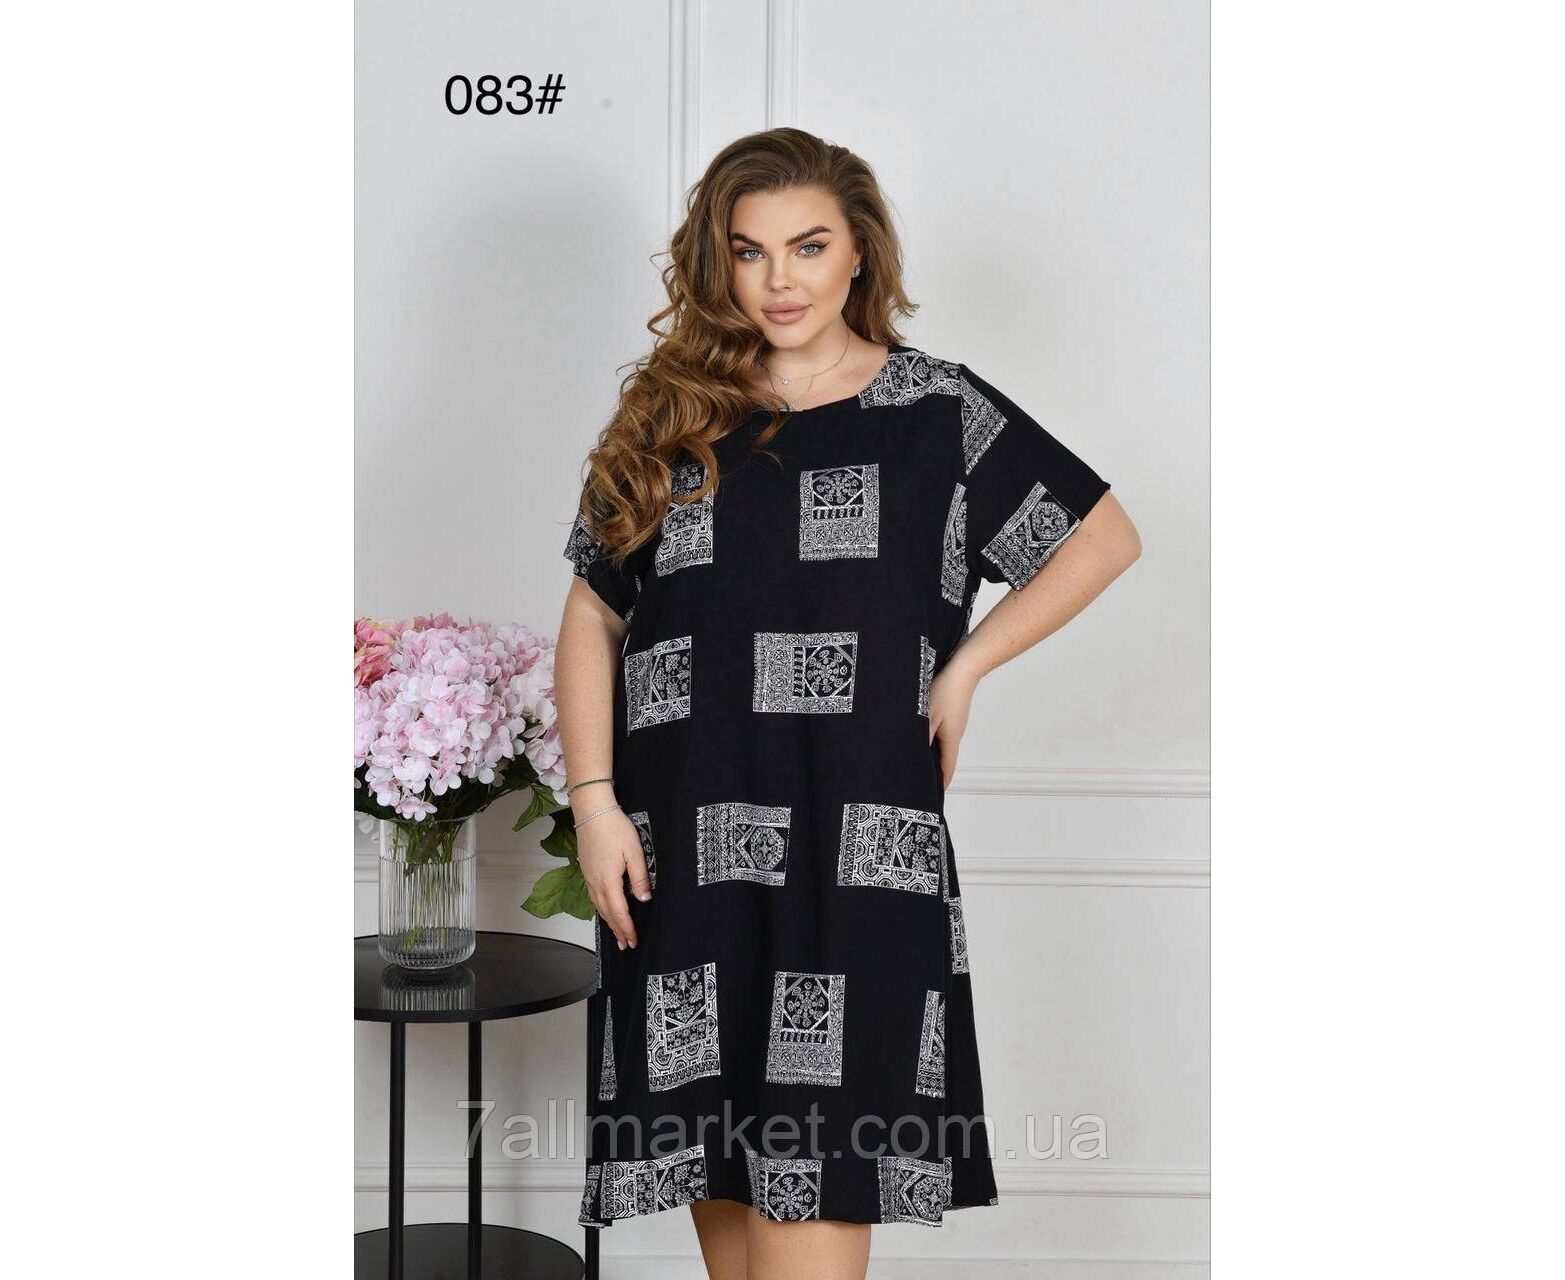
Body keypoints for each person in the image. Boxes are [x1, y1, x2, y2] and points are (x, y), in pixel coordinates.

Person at [556, 127, 1142, 1280]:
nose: (778, 280)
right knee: (726, 1206)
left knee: (817, 1192)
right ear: (715, 262)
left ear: (859, 251)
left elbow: (1100, 536)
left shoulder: (937, 413)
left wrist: (963, 664)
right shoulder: (669, 415)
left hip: (856, 854)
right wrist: (592, 799)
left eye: (809, 246)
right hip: (683, 852)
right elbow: (592, 611)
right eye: (748, 251)